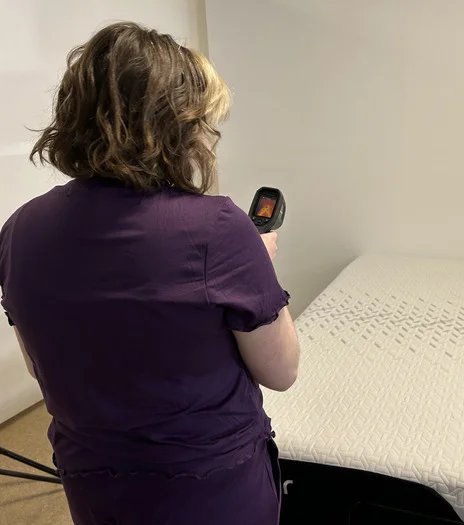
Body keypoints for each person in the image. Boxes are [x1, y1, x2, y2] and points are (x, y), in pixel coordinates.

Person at [0, 22, 299, 525]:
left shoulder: (19, 229)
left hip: (94, 484)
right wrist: (257, 265)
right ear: (179, 126)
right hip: (209, 492)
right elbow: (282, 372)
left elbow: (40, 367)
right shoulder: (221, 229)